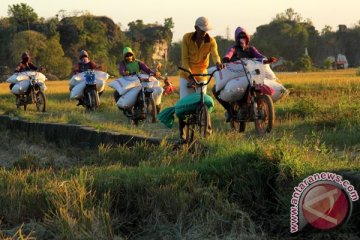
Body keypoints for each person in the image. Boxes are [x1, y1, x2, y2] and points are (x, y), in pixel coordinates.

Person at [213, 26, 277, 122]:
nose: (242, 39)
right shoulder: (234, 48)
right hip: (237, 75)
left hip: (251, 74)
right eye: (240, 37)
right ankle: (230, 110)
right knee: (215, 90)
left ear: (248, 38)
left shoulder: (251, 49)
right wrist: (226, 59)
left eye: (244, 37)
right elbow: (229, 53)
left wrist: (267, 59)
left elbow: (259, 56)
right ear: (236, 39)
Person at [178, 16, 223, 142]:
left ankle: (205, 134)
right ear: (196, 28)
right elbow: (185, 60)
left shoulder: (211, 41)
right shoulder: (187, 38)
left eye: (206, 30)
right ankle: (182, 134)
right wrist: (190, 77)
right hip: (186, 75)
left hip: (202, 74)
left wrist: (218, 63)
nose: (204, 33)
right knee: (184, 105)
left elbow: (215, 55)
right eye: (202, 30)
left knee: (202, 103)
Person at [115, 47, 163, 116]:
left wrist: (154, 73)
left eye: (130, 55)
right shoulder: (122, 63)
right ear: (124, 57)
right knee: (118, 93)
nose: (129, 57)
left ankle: (152, 108)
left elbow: (147, 70)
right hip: (129, 81)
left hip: (138, 80)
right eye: (127, 56)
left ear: (133, 55)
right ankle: (128, 109)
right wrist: (125, 73)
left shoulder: (138, 62)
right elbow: (121, 71)